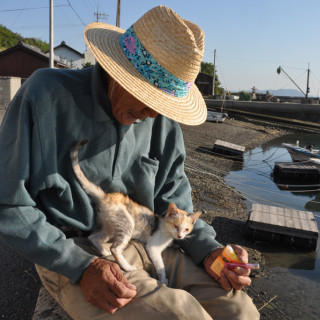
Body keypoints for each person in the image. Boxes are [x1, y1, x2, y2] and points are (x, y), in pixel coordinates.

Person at [0, 5, 260, 320]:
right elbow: (9, 204)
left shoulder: (162, 124)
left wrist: (210, 251)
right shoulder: (44, 98)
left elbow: (173, 199)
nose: (153, 113)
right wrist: (81, 266)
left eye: (162, 103)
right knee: (182, 316)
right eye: (147, 97)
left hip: (149, 236)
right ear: (116, 69)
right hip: (76, 248)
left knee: (241, 310)